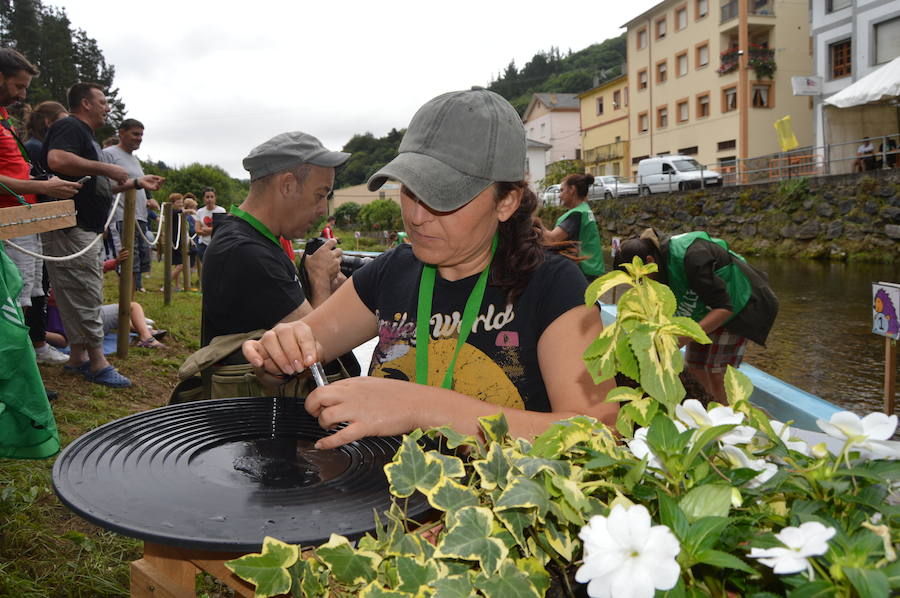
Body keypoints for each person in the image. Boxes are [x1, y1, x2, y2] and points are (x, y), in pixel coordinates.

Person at [243, 89, 616, 450]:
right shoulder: (392, 270)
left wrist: (421, 407)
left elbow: (598, 434)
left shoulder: (553, 285)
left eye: (446, 198)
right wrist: (278, 355)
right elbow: (284, 362)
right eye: (410, 190)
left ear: (507, 201)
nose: (418, 217)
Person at [201, 131, 346, 345]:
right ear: (287, 185)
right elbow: (313, 347)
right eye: (320, 195)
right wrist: (320, 280)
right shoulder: (246, 253)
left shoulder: (251, 239)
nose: (323, 210)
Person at [613, 228, 778, 403]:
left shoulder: (693, 257)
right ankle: (707, 414)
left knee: (716, 372)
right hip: (705, 306)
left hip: (737, 304)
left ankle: (728, 420)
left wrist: (680, 339)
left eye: (639, 279)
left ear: (649, 261)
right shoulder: (658, 261)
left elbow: (724, 307)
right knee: (695, 368)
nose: (639, 285)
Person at [40, 82, 133, 388]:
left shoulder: (85, 136)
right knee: (85, 290)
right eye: (103, 101)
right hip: (70, 225)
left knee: (74, 289)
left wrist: (132, 182)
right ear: (86, 104)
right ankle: (98, 361)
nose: (108, 106)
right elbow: (57, 160)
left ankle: (78, 356)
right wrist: (106, 170)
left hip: (79, 225)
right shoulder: (70, 126)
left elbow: (92, 183)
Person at [0, 51, 81, 371]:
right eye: (18, 86)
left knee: (30, 290)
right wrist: (46, 187)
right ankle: (15, 365)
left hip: (23, 217)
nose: (23, 95)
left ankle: (25, 358)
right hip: (7, 222)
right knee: (12, 295)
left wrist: (41, 184)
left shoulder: (4, 117)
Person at [103, 118, 165, 293]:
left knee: (138, 265)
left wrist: (149, 196)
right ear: (122, 133)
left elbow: (137, 185)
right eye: (135, 134)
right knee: (128, 265)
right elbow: (105, 187)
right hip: (121, 218)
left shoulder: (134, 160)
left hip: (140, 217)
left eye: (141, 135)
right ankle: (125, 315)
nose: (139, 138)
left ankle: (132, 309)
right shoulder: (109, 154)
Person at [542, 173, 605, 281]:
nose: (559, 195)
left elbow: (552, 239)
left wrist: (532, 224)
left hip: (582, 271)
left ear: (572, 189)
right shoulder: (585, 209)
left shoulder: (577, 214)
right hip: (591, 268)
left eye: (562, 190)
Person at [194, 186, 224, 265]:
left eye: (211, 197)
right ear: (204, 198)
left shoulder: (221, 210)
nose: (209, 199)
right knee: (205, 265)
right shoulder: (200, 212)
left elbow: (221, 229)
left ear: (215, 198)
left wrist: (206, 229)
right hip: (203, 244)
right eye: (207, 197)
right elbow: (197, 230)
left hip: (216, 243)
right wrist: (212, 230)